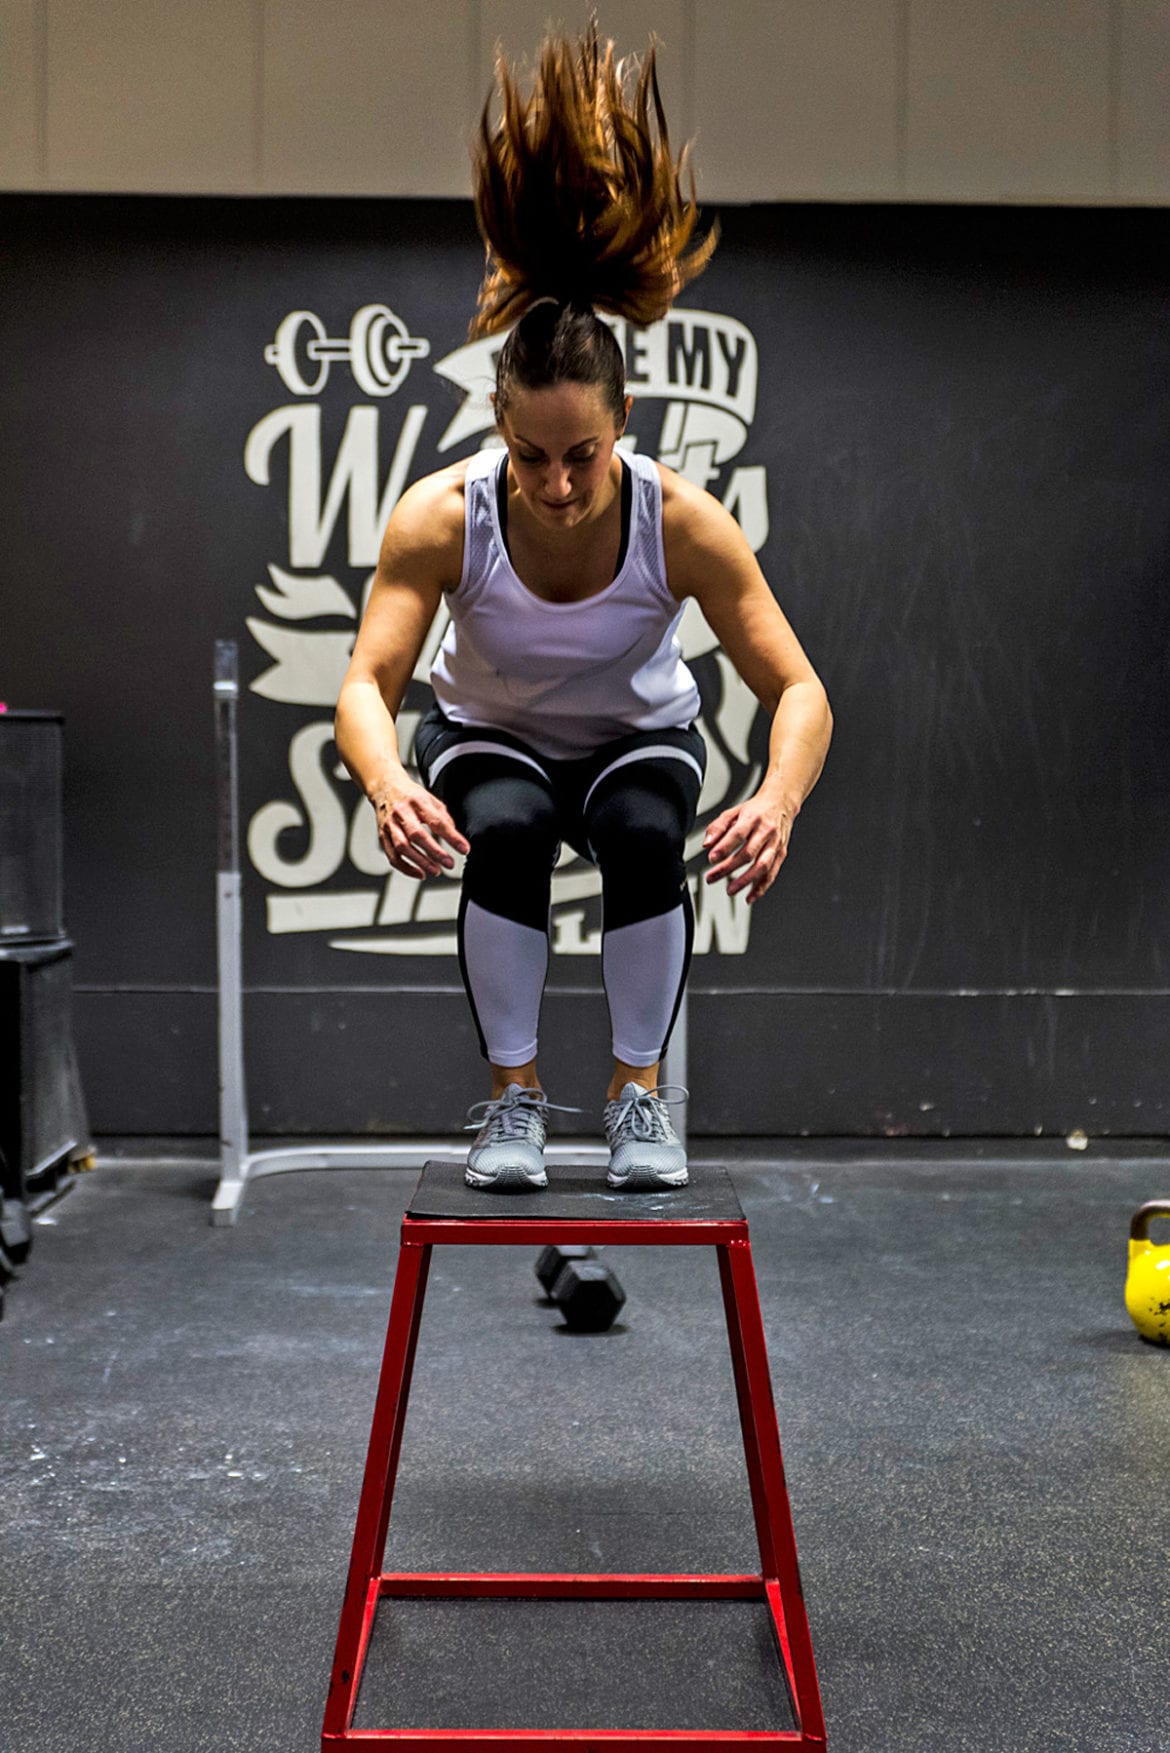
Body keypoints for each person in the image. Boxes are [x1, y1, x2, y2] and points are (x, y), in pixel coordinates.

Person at [335, 24, 832, 1192]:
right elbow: (367, 684)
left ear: (624, 427)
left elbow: (799, 689)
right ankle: (513, 1106)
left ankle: (636, 1097)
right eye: (533, 455)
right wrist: (388, 781)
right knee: (501, 826)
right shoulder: (440, 519)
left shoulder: (685, 522)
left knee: (649, 832)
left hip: (632, 739)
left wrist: (780, 795)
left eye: (584, 456)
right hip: (492, 738)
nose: (558, 486)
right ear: (500, 429)